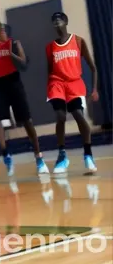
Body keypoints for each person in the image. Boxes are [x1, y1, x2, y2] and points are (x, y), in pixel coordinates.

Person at [0, 20, 48, 175]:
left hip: (14, 82)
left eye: (3, 29)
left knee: (27, 121)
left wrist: (11, 53)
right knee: (0, 121)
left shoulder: (14, 43)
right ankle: (6, 155)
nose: (1, 32)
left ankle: (39, 157)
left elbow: (23, 64)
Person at [46, 12, 99, 174]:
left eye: (59, 19)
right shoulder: (50, 47)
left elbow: (93, 67)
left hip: (74, 84)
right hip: (57, 84)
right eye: (53, 20)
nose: (56, 22)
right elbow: (50, 70)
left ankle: (88, 154)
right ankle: (62, 155)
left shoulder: (78, 41)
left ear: (66, 22)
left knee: (77, 114)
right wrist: (50, 88)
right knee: (60, 117)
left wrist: (94, 89)